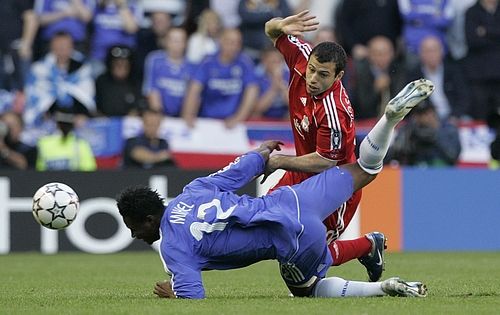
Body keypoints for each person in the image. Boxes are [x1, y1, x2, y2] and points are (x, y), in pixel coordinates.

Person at [116, 78, 434, 299]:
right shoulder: (192, 190)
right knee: (365, 169)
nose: (134, 236)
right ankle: (389, 120)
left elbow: (194, 297)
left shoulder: (172, 246)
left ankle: (383, 286)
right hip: (295, 198)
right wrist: (261, 154)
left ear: (147, 219)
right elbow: (235, 173)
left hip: (293, 237)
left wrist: (176, 294)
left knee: (307, 289)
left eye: (133, 228)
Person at [264, 10, 383, 282]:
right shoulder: (301, 57)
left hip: (336, 184)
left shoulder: (335, 112)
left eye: (323, 75)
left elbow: (325, 161)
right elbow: (271, 30)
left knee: (314, 256)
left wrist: (280, 161)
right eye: (312, 70)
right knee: (263, 217)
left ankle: (369, 244)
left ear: (338, 76)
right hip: (302, 172)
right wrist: (279, 25)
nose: (313, 78)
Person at [386, 102, 461, 167]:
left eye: (426, 113)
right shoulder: (408, 129)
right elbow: (394, 154)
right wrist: (409, 135)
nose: (423, 118)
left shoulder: (448, 129)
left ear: (433, 113)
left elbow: (453, 155)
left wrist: (436, 133)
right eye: (419, 114)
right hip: (414, 171)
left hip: (441, 173)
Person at [95, 45, 141, 117]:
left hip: (129, 124)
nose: (120, 67)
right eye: (117, 64)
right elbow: (93, 107)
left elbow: (140, 106)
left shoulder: (136, 83)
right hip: (104, 123)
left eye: (125, 65)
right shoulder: (101, 82)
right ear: (110, 65)